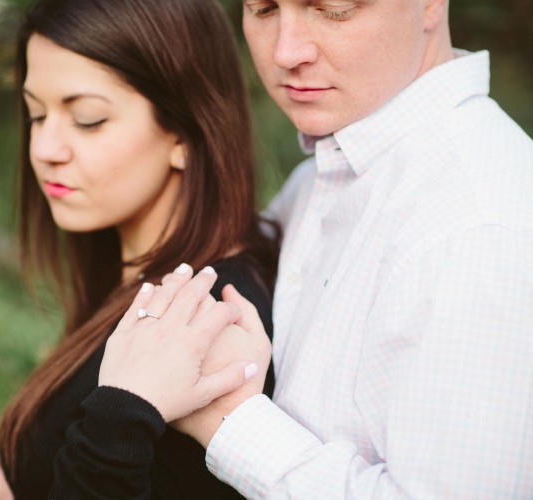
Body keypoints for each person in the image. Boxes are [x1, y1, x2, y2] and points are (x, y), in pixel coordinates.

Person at [99, 0, 533, 498]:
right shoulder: (317, 183)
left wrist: (228, 421)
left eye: (333, 9)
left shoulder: (479, 228)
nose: (286, 51)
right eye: (262, 9)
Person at [0, 0, 280, 498]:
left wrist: (121, 416)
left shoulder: (207, 320)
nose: (46, 149)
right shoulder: (139, 287)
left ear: (184, 130)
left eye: (87, 119)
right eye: (35, 115)